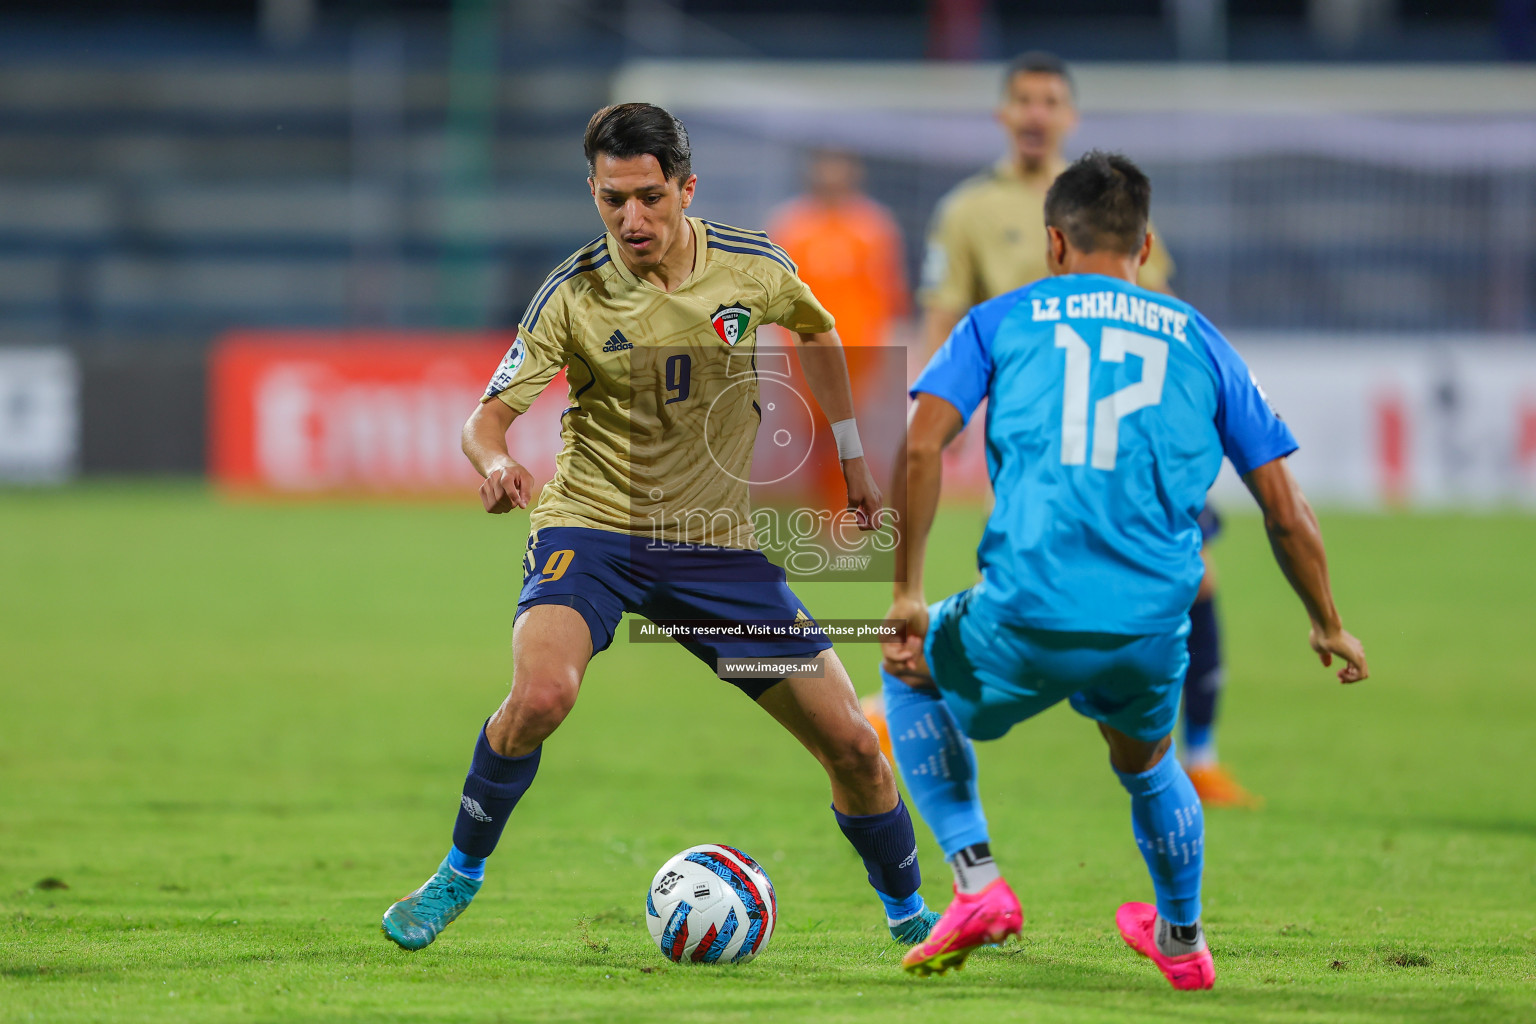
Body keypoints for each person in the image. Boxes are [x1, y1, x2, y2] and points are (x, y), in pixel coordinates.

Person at [379, 103, 939, 953]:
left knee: (856, 748)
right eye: (612, 201)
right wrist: (494, 465)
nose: (631, 220)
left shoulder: (753, 268)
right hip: (595, 531)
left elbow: (818, 329)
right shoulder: (573, 291)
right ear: (594, 193)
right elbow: (485, 418)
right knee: (541, 696)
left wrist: (854, 459)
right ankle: (458, 874)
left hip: (715, 550)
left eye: (648, 198)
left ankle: (912, 919)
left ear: (685, 188)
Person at [879, 152, 1369, 987]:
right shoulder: (1200, 338)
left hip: (1026, 607)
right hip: (1151, 624)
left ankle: (977, 884)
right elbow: (1287, 509)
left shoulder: (1000, 321)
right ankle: (1182, 941)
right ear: (1144, 249)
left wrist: (906, 592)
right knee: (1149, 761)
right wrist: (1327, 620)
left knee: (909, 673)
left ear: (1055, 243)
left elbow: (923, 443)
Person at [867, 50, 1254, 807]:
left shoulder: (1107, 200)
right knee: (1035, 568)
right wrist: (931, 407)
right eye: (1025, 100)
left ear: (1069, 115)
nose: (1038, 113)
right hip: (1037, 426)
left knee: (1197, 575)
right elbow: (945, 319)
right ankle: (924, 687)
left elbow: (1160, 306)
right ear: (1004, 114)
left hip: (1126, 427)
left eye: (1051, 100)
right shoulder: (968, 210)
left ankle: (1198, 755)